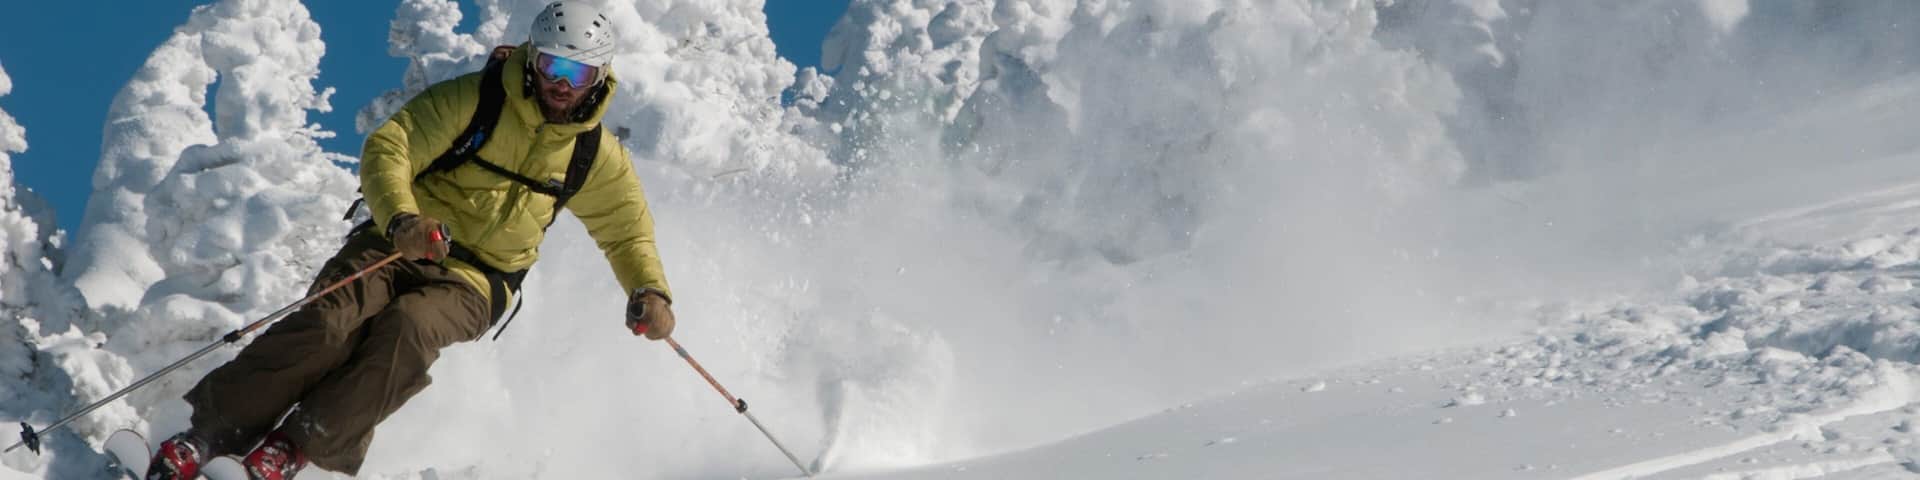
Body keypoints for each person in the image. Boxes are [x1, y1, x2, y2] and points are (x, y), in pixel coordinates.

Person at [144, 2, 676, 478]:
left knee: (409, 328)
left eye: (577, 71)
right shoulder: (475, 100)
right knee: (330, 324)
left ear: (599, 77)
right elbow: (389, 148)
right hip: (399, 241)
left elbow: (627, 232)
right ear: (534, 60)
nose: (562, 83)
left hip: (478, 279)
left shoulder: (594, 154)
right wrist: (403, 221)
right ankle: (206, 434)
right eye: (553, 65)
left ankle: (292, 448)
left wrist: (650, 292)